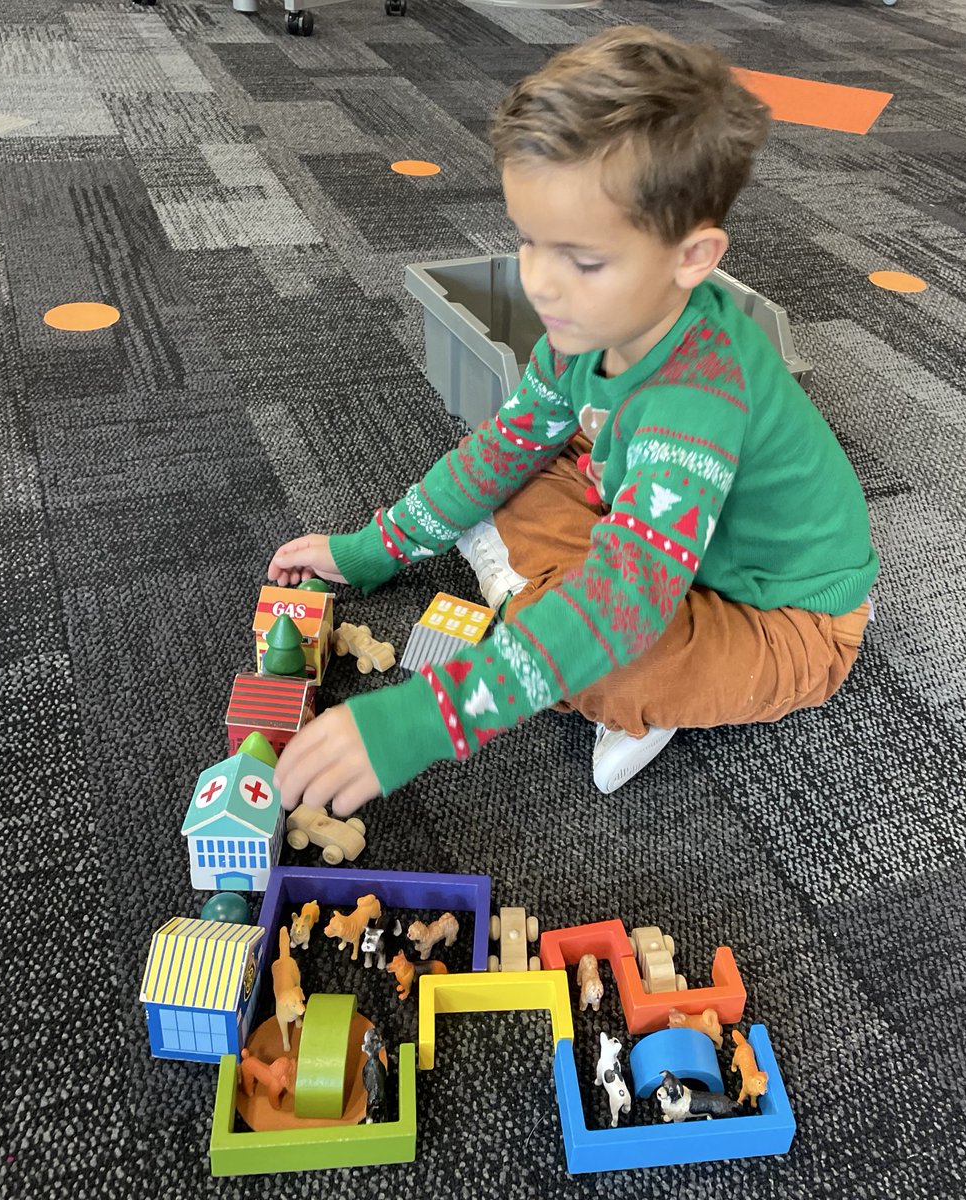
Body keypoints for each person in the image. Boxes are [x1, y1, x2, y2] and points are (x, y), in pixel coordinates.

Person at [267, 25, 879, 814]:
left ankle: (603, 663)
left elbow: (620, 604)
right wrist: (369, 550)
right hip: (667, 538)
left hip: (787, 618)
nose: (541, 284)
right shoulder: (589, 325)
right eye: (528, 242)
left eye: (583, 260)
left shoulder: (697, 399)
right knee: (509, 469)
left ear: (692, 258)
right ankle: (540, 607)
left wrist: (423, 720)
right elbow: (502, 446)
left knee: (604, 660)